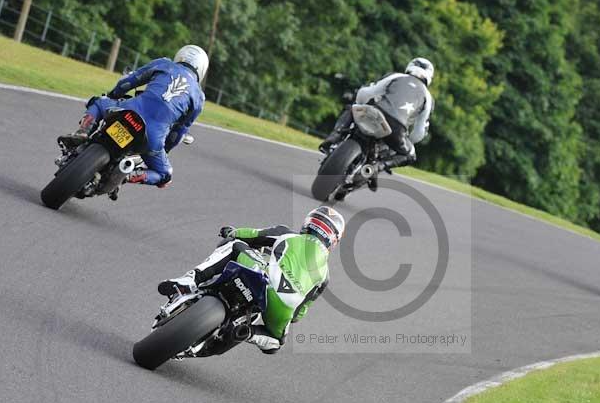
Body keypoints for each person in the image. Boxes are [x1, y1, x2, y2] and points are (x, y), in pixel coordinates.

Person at [157, 206, 345, 354]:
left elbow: (251, 235)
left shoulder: (288, 234)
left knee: (234, 245)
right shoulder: (325, 276)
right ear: (333, 240)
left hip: (264, 276)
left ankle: (190, 280)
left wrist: (232, 232)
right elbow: (299, 315)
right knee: (276, 343)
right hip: (283, 307)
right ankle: (248, 333)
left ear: (308, 224)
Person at [60, 45, 208, 188]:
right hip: (152, 137)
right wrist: (165, 150)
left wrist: (113, 96)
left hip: (127, 111)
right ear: (201, 70)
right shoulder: (199, 98)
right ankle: (127, 175)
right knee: (165, 174)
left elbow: (128, 82)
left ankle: (83, 132)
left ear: (180, 56)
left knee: (99, 102)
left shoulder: (164, 64)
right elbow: (178, 133)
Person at [319, 57, 435, 192]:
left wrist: (361, 104)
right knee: (410, 155)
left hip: (374, 114)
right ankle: (377, 167)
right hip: (396, 130)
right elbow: (420, 132)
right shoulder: (428, 98)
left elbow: (367, 92)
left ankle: (334, 137)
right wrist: (408, 141)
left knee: (352, 108)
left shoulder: (395, 76)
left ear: (410, 67)